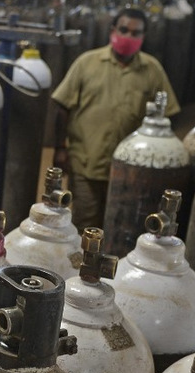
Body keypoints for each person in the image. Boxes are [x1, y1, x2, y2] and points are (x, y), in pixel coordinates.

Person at [51, 7, 180, 230]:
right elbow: (62, 107)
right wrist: (60, 148)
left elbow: (169, 114)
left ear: (143, 36)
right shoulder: (87, 63)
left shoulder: (152, 70)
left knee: (120, 227)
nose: (128, 36)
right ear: (113, 30)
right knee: (85, 225)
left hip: (130, 170)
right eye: (124, 30)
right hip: (87, 163)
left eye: (135, 32)